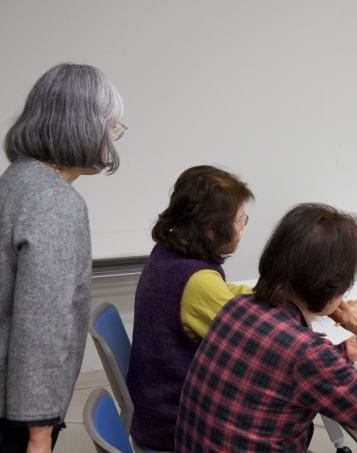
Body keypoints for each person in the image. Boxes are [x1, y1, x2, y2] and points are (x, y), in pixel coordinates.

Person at [175, 203, 357, 453]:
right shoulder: (306, 352)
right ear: (333, 283)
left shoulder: (236, 307)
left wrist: (342, 354)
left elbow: (277, 369)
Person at [0, 63, 124, 453]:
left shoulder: (17, 179)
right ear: (83, 126)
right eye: (111, 127)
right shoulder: (54, 200)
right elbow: (42, 326)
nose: (113, 139)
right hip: (15, 412)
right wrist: (39, 434)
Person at [126, 165, 254, 451]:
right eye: (238, 219)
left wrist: (269, 293)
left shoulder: (168, 254)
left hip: (154, 412)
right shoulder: (196, 280)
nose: (241, 227)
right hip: (176, 427)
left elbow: (222, 297)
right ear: (211, 228)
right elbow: (261, 347)